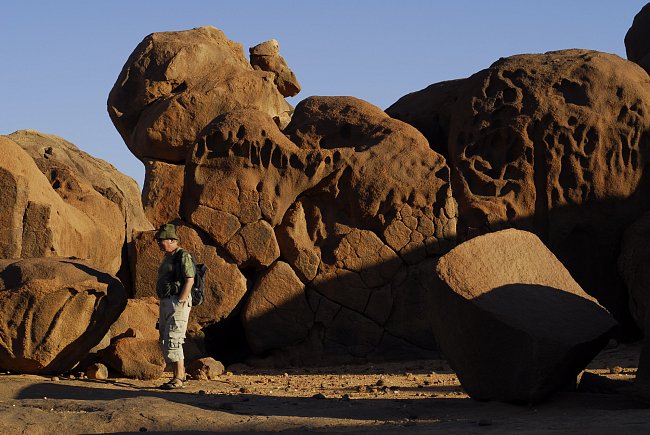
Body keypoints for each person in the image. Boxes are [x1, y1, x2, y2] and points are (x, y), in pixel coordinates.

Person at [155, 223, 195, 390]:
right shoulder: (168, 256)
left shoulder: (182, 255)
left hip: (177, 302)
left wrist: (181, 301)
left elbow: (190, 279)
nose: (159, 243)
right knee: (165, 337)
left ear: (172, 240)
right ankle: (177, 376)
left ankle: (179, 378)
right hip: (166, 301)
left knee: (174, 339)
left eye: (161, 240)